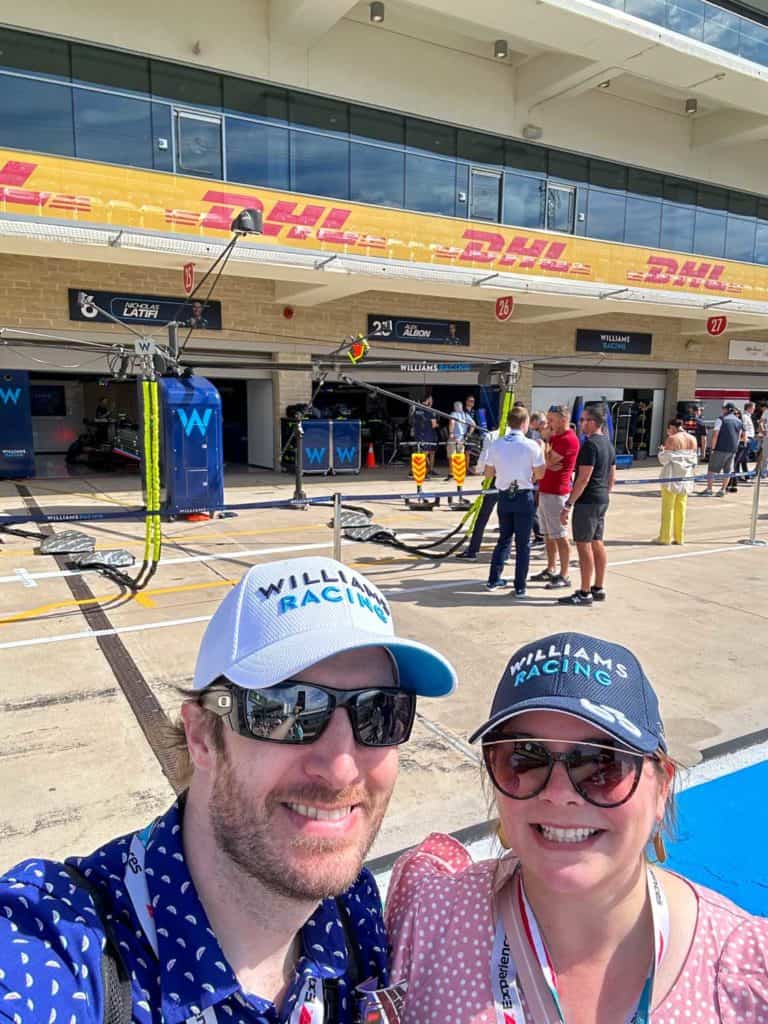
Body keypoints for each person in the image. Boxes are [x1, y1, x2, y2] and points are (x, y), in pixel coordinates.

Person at [0, 555, 457, 1024]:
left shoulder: (351, 908)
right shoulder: (58, 943)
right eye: (287, 711)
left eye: (379, 712)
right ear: (201, 735)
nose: (341, 770)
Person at [386, 631, 768, 1024]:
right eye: (524, 757)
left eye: (603, 763)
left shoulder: (748, 975)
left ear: (662, 788)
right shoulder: (426, 915)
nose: (559, 793)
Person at [483, 405, 545, 598]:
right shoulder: (531, 445)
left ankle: (494, 579)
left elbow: (488, 473)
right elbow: (541, 473)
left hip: (504, 495)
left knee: (504, 538)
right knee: (523, 543)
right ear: (525, 423)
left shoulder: (497, 444)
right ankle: (520, 586)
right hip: (523, 494)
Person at [558, 405, 616, 606]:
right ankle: (598, 587)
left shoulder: (590, 446)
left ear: (593, 422)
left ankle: (584, 592)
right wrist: (604, 494)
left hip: (588, 501)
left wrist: (568, 504)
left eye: (583, 420)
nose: (581, 423)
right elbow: (612, 477)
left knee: (584, 545)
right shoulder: (608, 444)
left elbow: (583, 478)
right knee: (597, 541)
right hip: (601, 499)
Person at [529, 404, 580, 589]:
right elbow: (547, 463)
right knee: (548, 534)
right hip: (546, 489)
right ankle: (551, 568)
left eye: (551, 420)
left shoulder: (568, 439)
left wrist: (543, 447)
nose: (547, 424)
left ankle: (564, 574)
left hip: (557, 493)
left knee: (559, 535)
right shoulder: (556, 437)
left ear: (563, 419)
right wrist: (547, 453)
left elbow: (546, 462)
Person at [655, 417, 698, 545]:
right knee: (681, 507)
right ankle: (679, 537)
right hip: (686, 477)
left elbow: (665, 460)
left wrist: (661, 451)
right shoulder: (692, 439)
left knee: (668, 508)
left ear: (672, 428)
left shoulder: (672, 439)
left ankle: (665, 537)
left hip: (671, 477)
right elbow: (694, 458)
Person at [704, 403, 743, 497]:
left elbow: (715, 435)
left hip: (720, 448)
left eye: (724, 409)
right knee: (727, 471)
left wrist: (712, 448)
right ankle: (722, 489)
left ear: (727, 410)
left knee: (711, 469)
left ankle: (709, 489)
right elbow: (739, 436)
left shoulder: (721, 419)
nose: (722, 410)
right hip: (732, 449)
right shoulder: (739, 421)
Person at [411, 394, 438, 475]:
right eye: (431, 400)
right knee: (425, 453)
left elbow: (413, 421)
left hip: (418, 434)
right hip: (428, 435)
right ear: (428, 400)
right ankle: (417, 472)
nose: (432, 401)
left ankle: (428, 469)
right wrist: (437, 425)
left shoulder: (416, 410)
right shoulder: (430, 411)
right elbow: (434, 425)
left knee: (423, 452)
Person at [734, 401, 756, 483]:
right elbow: (743, 430)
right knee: (741, 459)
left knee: (743, 459)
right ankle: (738, 476)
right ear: (749, 408)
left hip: (748, 439)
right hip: (745, 440)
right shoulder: (745, 416)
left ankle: (743, 476)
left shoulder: (747, 416)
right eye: (753, 408)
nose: (754, 409)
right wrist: (745, 440)